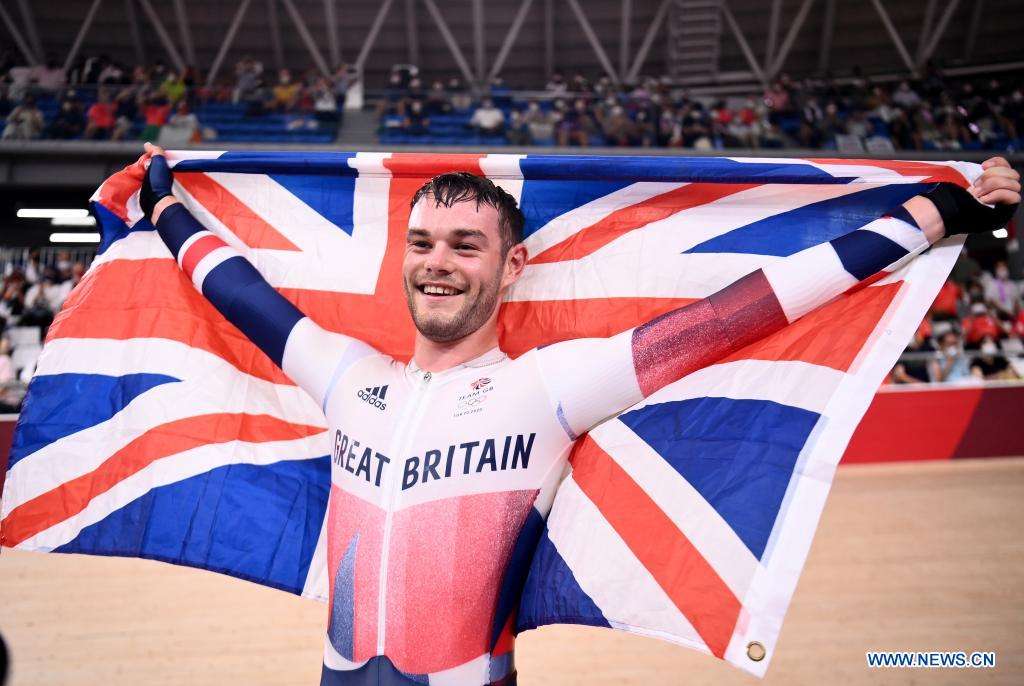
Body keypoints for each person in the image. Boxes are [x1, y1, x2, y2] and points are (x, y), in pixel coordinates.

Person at [140, 141, 1019, 685]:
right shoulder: (347, 376)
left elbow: (735, 315)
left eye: (466, 245)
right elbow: (234, 290)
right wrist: (163, 202)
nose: (437, 262)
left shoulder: (549, 387)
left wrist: (931, 213)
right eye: (422, 243)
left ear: (513, 265)